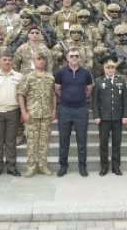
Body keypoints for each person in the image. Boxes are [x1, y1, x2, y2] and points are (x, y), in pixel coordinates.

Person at [55, 48, 93, 177]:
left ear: (80, 58)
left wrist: (81, 98)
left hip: (81, 110)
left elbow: (89, 89)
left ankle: (82, 167)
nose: (74, 58)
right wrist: (66, 98)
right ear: (67, 58)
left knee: (82, 140)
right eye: (72, 56)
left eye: (77, 56)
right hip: (65, 109)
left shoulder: (86, 73)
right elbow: (57, 88)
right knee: (63, 140)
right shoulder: (61, 72)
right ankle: (63, 167)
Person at [19, 52, 57, 177]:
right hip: (32, 115)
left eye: (43, 59)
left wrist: (54, 110)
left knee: (44, 142)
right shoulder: (28, 77)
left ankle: (43, 165)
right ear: (34, 61)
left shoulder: (50, 77)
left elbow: (53, 95)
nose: (41, 61)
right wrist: (24, 113)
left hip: (46, 114)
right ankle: (31, 166)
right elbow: (21, 95)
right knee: (31, 142)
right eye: (38, 59)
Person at [0, 52, 23, 178]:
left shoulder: (19, 76)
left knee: (11, 141)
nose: (7, 62)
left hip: (13, 111)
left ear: (12, 62)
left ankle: (11, 167)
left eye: (9, 60)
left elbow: (22, 95)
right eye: (4, 59)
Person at [93, 58, 127, 176]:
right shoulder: (99, 82)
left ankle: (116, 167)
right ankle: (104, 167)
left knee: (117, 143)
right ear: (104, 69)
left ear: (115, 69)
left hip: (118, 118)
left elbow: (125, 100)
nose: (110, 69)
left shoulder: (121, 81)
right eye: (108, 67)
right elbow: (95, 101)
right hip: (104, 118)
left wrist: (125, 116)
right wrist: (96, 116)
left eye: (112, 67)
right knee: (103, 143)